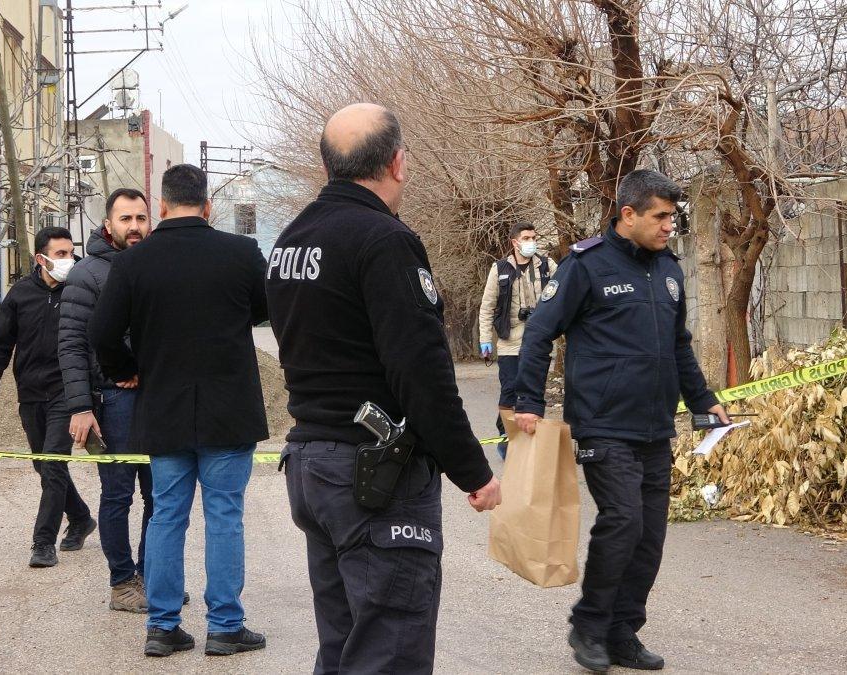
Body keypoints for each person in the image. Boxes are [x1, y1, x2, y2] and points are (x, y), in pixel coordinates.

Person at [266, 103, 502, 675]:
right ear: (399, 162)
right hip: (374, 476)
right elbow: (420, 373)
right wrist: (473, 471)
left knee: (345, 647)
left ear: (328, 165)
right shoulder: (384, 241)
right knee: (389, 651)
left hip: (314, 466)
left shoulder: (292, 240)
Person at [514, 170, 729, 673]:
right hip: (601, 424)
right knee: (623, 521)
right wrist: (526, 399)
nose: (668, 226)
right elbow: (540, 333)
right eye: (660, 216)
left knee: (650, 534)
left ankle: (621, 632)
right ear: (627, 215)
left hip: (655, 425)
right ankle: (589, 626)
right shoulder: (584, 266)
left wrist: (704, 399)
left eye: (673, 217)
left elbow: (679, 347)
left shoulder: (670, 271)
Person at [89, 164, 270, 658]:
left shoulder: (132, 264)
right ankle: (225, 626)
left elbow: (101, 333)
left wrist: (125, 368)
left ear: (162, 207)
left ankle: (163, 626)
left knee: (167, 514)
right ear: (209, 206)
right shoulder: (242, 253)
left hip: (163, 408)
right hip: (228, 410)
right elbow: (264, 310)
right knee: (224, 515)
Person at [0, 226, 96, 569]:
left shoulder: (80, 291)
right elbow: (0, 343)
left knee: (54, 463)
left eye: (71, 253)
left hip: (66, 392)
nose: (68, 260)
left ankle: (43, 543)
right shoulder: (20, 295)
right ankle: (81, 517)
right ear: (41, 258)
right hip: (30, 392)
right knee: (43, 465)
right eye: (60, 254)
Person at [58, 188, 153, 612]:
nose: (135, 227)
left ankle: (153, 576)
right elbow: (71, 346)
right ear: (108, 223)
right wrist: (81, 406)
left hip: (157, 400)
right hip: (113, 401)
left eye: (141, 218)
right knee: (118, 495)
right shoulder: (87, 274)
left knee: (162, 497)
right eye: (126, 219)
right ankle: (123, 582)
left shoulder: (156, 266)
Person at [477, 221, 557, 459]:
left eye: (534, 237)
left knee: (534, 392)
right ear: (515, 242)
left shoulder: (546, 266)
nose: (532, 242)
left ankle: (531, 441)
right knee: (510, 391)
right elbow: (487, 306)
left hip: (538, 341)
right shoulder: (500, 268)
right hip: (509, 341)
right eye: (527, 238)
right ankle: (507, 439)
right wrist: (485, 340)